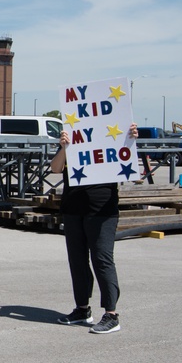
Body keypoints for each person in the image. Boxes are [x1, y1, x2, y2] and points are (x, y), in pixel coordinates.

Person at [50, 123, 138, 333]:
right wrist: (63, 147)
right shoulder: (73, 140)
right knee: (77, 261)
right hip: (73, 209)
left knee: (102, 260)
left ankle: (111, 314)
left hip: (102, 209)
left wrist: (131, 139)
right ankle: (82, 309)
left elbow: (131, 168)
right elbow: (55, 168)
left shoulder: (112, 139)